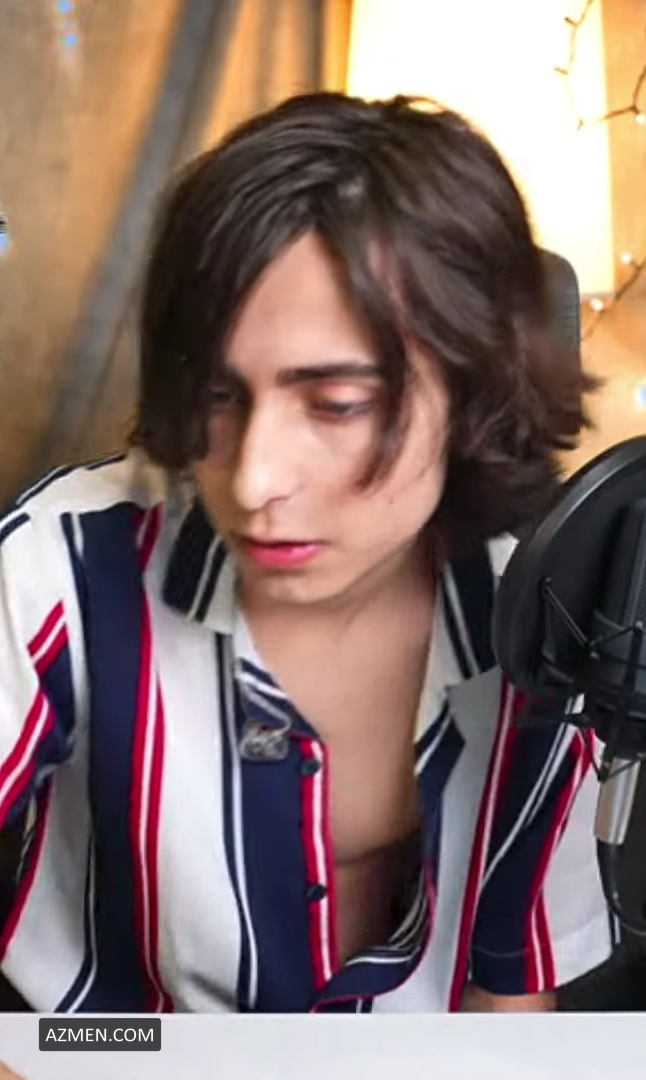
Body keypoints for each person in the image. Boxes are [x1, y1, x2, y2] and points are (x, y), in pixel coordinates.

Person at [0, 91, 611, 1018]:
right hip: (110, 1064)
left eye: (335, 406)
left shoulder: (540, 618)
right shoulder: (61, 565)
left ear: (473, 387)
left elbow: (512, 996)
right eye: (220, 396)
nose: (253, 481)